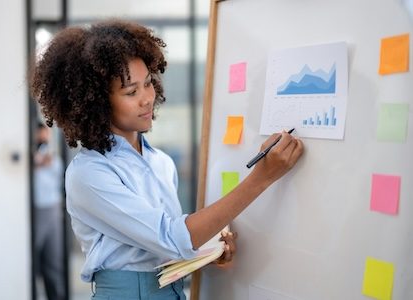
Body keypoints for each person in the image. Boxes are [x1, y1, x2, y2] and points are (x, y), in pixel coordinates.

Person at [30, 19, 304, 299]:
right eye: (131, 92)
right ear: (97, 103)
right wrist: (262, 177)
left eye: (148, 83)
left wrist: (207, 251)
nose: (147, 98)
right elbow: (172, 238)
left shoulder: (161, 162)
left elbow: (166, 246)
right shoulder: (89, 173)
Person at [33, 123, 66, 300]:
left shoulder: (52, 156)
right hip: (36, 210)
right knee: (33, 259)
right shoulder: (28, 155)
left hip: (53, 209)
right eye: (40, 136)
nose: (43, 139)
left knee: (54, 260)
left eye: (45, 135)